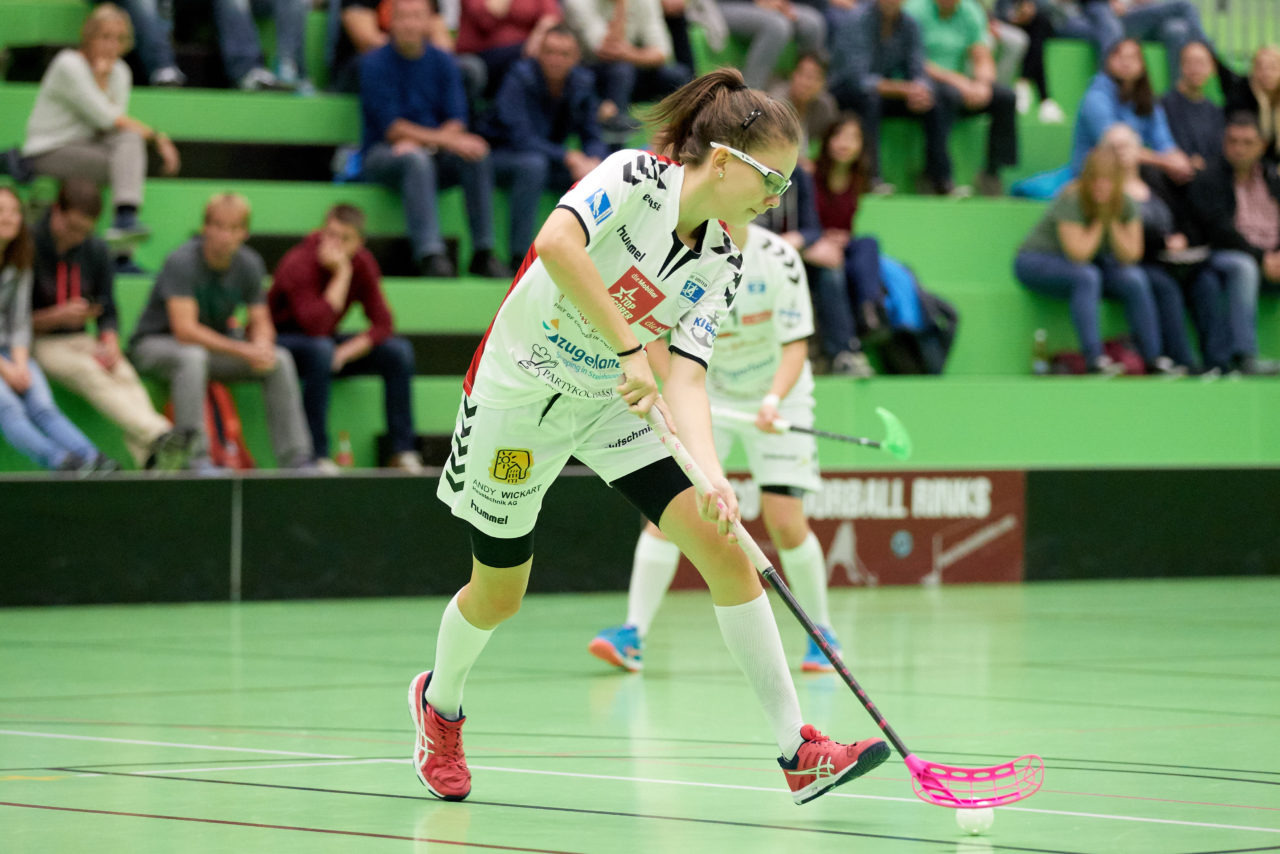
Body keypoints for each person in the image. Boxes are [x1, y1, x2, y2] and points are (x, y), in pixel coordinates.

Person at [411, 69, 889, 805]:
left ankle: (799, 751)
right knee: (499, 594)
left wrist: (712, 474)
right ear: (724, 161)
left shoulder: (724, 262)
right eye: (772, 180)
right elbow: (555, 245)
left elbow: (689, 378)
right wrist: (631, 348)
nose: (777, 199)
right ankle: (440, 706)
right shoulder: (634, 177)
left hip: (611, 405)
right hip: (519, 396)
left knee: (727, 550)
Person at [589, 222, 843, 674]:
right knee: (672, 511)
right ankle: (632, 632)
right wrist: (668, 386)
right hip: (708, 394)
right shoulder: (681, 251)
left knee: (785, 522)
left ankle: (821, 632)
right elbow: (652, 336)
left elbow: (795, 346)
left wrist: (771, 401)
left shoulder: (780, 259)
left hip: (778, 396)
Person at [129, 193, 316, 470]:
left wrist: (262, 344)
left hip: (210, 350)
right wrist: (243, 349)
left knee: (279, 360)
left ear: (244, 232)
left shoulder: (250, 263)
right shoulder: (181, 262)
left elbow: (260, 319)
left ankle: (296, 459)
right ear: (205, 227)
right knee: (191, 356)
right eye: (217, 226)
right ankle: (196, 459)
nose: (224, 235)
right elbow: (186, 331)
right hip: (154, 345)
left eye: (233, 228)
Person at [31, 179, 186, 469]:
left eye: (85, 231)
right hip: (36, 342)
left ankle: (150, 460)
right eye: (72, 227)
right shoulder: (27, 245)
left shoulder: (96, 248)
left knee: (123, 373)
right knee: (89, 372)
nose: (77, 237)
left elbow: (108, 310)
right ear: (56, 211)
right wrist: (57, 316)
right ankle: (159, 432)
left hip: (79, 337)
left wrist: (110, 342)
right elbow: (11, 321)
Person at [22, 3, 181, 271]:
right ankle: (123, 252)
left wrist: (105, 80)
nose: (111, 45)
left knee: (129, 143)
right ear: (89, 36)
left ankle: (125, 222)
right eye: (105, 36)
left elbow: (113, 127)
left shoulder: (121, 71)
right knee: (125, 163)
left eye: (119, 39)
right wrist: (159, 139)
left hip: (90, 147)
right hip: (49, 150)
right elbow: (106, 118)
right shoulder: (68, 64)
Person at [358, 0, 508, 279]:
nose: (409, 24)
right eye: (402, 17)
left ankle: (483, 253)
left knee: (475, 153)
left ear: (429, 23)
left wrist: (430, 143)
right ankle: (430, 255)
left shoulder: (443, 62)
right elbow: (393, 129)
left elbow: (457, 121)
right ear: (390, 22)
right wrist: (438, 142)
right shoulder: (374, 63)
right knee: (416, 160)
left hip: (430, 152)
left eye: (417, 17)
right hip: (382, 155)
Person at [269, 204, 425, 471]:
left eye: (344, 238)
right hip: (283, 343)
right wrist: (342, 273)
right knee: (320, 349)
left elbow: (384, 324)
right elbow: (315, 326)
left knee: (398, 351)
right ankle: (316, 454)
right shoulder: (300, 261)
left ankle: (403, 450)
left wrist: (346, 352)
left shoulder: (363, 262)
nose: (334, 244)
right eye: (329, 234)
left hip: (325, 345)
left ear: (359, 243)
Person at [0, 187, 115, 473]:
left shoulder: (20, 256)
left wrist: (20, 362)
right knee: (8, 408)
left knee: (42, 405)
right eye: (1, 211)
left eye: (14, 211)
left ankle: (93, 460)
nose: (9, 218)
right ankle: (60, 462)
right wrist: (7, 369)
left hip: (10, 349)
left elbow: (19, 320)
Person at [1013, 146, 1154, 375]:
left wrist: (1114, 220)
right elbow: (1079, 254)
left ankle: (1152, 357)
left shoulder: (1126, 203)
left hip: (1089, 265)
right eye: (1096, 180)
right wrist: (1101, 217)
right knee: (1087, 276)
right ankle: (1094, 358)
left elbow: (1131, 255)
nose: (1101, 187)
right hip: (1036, 262)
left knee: (1134, 279)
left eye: (1108, 181)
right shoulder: (1072, 198)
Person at [480, 24, 609, 267]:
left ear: (576, 58)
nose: (556, 60)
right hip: (501, 156)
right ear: (538, 52)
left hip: (548, 159)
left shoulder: (582, 82)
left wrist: (594, 161)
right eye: (550, 52)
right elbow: (522, 138)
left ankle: (590, 262)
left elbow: (593, 135)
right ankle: (520, 258)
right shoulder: (519, 77)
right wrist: (569, 156)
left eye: (564, 54)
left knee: (601, 173)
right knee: (533, 165)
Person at [1187, 114, 1280, 373]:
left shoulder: (1273, 178)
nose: (1239, 148)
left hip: (1272, 256)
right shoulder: (1210, 178)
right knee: (1244, 267)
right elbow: (1220, 231)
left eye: (1247, 142)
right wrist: (1263, 258)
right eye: (1233, 141)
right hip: (1221, 255)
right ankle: (1245, 355)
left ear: (1261, 145)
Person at [1100, 124, 1196, 374]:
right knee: (1142, 281)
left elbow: (1181, 216)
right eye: (1114, 148)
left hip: (1158, 259)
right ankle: (1152, 357)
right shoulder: (1103, 186)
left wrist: (1181, 238)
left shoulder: (1155, 181)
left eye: (1126, 146)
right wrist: (1162, 243)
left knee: (1173, 284)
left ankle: (1184, 359)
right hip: (1115, 262)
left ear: (1138, 149)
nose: (1121, 153)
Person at [828, 0, 946, 194]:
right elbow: (858, 78)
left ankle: (940, 180)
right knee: (870, 100)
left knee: (934, 102)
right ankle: (872, 177)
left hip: (885, 90)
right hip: (845, 90)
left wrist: (921, 90)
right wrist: (905, 89)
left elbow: (918, 68)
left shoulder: (910, 24)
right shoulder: (857, 20)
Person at [906, 0, 1019, 195]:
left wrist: (982, 84)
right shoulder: (914, 10)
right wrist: (959, 82)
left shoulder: (971, 11)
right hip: (922, 80)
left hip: (959, 85)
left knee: (1005, 98)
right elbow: (914, 59)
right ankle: (937, 175)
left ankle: (992, 172)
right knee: (946, 96)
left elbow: (981, 55)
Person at [1069, 39, 1194, 188]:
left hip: (1134, 167)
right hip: (1097, 172)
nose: (1126, 63)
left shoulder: (1147, 99)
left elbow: (1163, 141)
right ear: (1108, 61)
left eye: (1133, 57)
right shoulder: (1095, 98)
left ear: (1142, 65)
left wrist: (1178, 161)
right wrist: (1165, 162)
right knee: (1154, 177)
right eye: (1120, 57)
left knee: (1189, 177)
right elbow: (1116, 147)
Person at [561, 0, 693, 140]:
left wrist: (629, 54)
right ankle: (614, 144)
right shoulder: (577, 3)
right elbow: (606, 50)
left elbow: (661, 53)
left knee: (679, 76)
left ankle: (689, 140)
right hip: (588, 77)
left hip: (631, 68)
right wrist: (621, 6)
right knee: (621, 70)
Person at [812, 113, 889, 351]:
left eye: (853, 138)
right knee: (836, 267)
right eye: (840, 136)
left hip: (839, 244)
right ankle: (847, 343)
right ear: (828, 139)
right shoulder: (809, 175)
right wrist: (822, 237)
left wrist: (842, 238)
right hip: (812, 246)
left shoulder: (858, 180)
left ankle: (869, 312)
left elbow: (847, 226)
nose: (845, 143)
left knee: (868, 243)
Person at [1074, 0, 1210, 85]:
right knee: (1184, 5)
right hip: (1117, 16)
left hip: (1140, 14)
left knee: (1176, 30)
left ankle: (1176, 95)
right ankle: (1206, 51)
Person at [455, 0, 561, 98]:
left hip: (527, 51)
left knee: (556, 57)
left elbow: (551, 17)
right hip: (482, 55)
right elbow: (486, 19)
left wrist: (537, 41)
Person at [716, 0, 826, 91]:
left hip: (768, 5)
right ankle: (748, 94)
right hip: (722, 6)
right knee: (777, 26)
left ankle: (796, 94)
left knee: (813, 24)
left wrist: (781, 4)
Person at [991, 0, 1065, 123]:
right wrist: (1014, 15)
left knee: (1040, 24)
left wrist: (1031, 8)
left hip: (1040, 21)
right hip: (1004, 21)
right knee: (1036, 32)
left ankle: (1024, 82)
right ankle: (1044, 99)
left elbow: (1054, 10)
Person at [768, 50, 839, 170]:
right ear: (792, 75)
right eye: (803, 75)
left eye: (815, 78)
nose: (807, 83)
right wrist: (799, 162)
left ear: (823, 83)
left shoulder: (826, 107)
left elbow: (830, 142)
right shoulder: (775, 102)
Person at [1160, 41, 1224, 169]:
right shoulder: (1164, 105)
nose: (1195, 69)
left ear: (1212, 69)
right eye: (1189, 62)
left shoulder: (1215, 111)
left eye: (1201, 63)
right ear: (1180, 66)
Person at [1216, 45, 1280, 167]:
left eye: (1273, 67)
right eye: (1261, 67)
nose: (1266, 73)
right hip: (1247, 164)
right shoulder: (1242, 95)